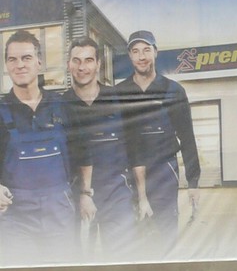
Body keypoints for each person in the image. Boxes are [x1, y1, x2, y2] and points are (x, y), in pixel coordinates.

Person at [0, 30, 81, 263]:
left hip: (60, 210)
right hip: (16, 216)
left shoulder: (63, 105)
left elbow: (81, 155)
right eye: (12, 59)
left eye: (26, 58)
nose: (20, 65)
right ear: (6, 65)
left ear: (39, 62)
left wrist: (84, 194)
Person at [118, 28, 200, 248]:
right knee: (134, 238)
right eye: (135, 51)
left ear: (156, 52)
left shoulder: (173, 91)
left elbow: (187, 138)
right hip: (130, 176)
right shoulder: (119, 93)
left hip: (165, 173)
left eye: (146, 50)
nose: (141, 56)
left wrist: (193, 182)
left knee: (166, 234)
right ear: (130, 56)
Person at [65, 36, 141, 256]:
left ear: (98, 64)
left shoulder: (117, 99)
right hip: (77, 198)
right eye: (76, 60)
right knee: (79, 265)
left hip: (117, 197)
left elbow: (135, 151)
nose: (82, 67)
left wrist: (140, 196)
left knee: (120, 263)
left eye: (88, 60)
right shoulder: (60, 105)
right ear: (69, 64)